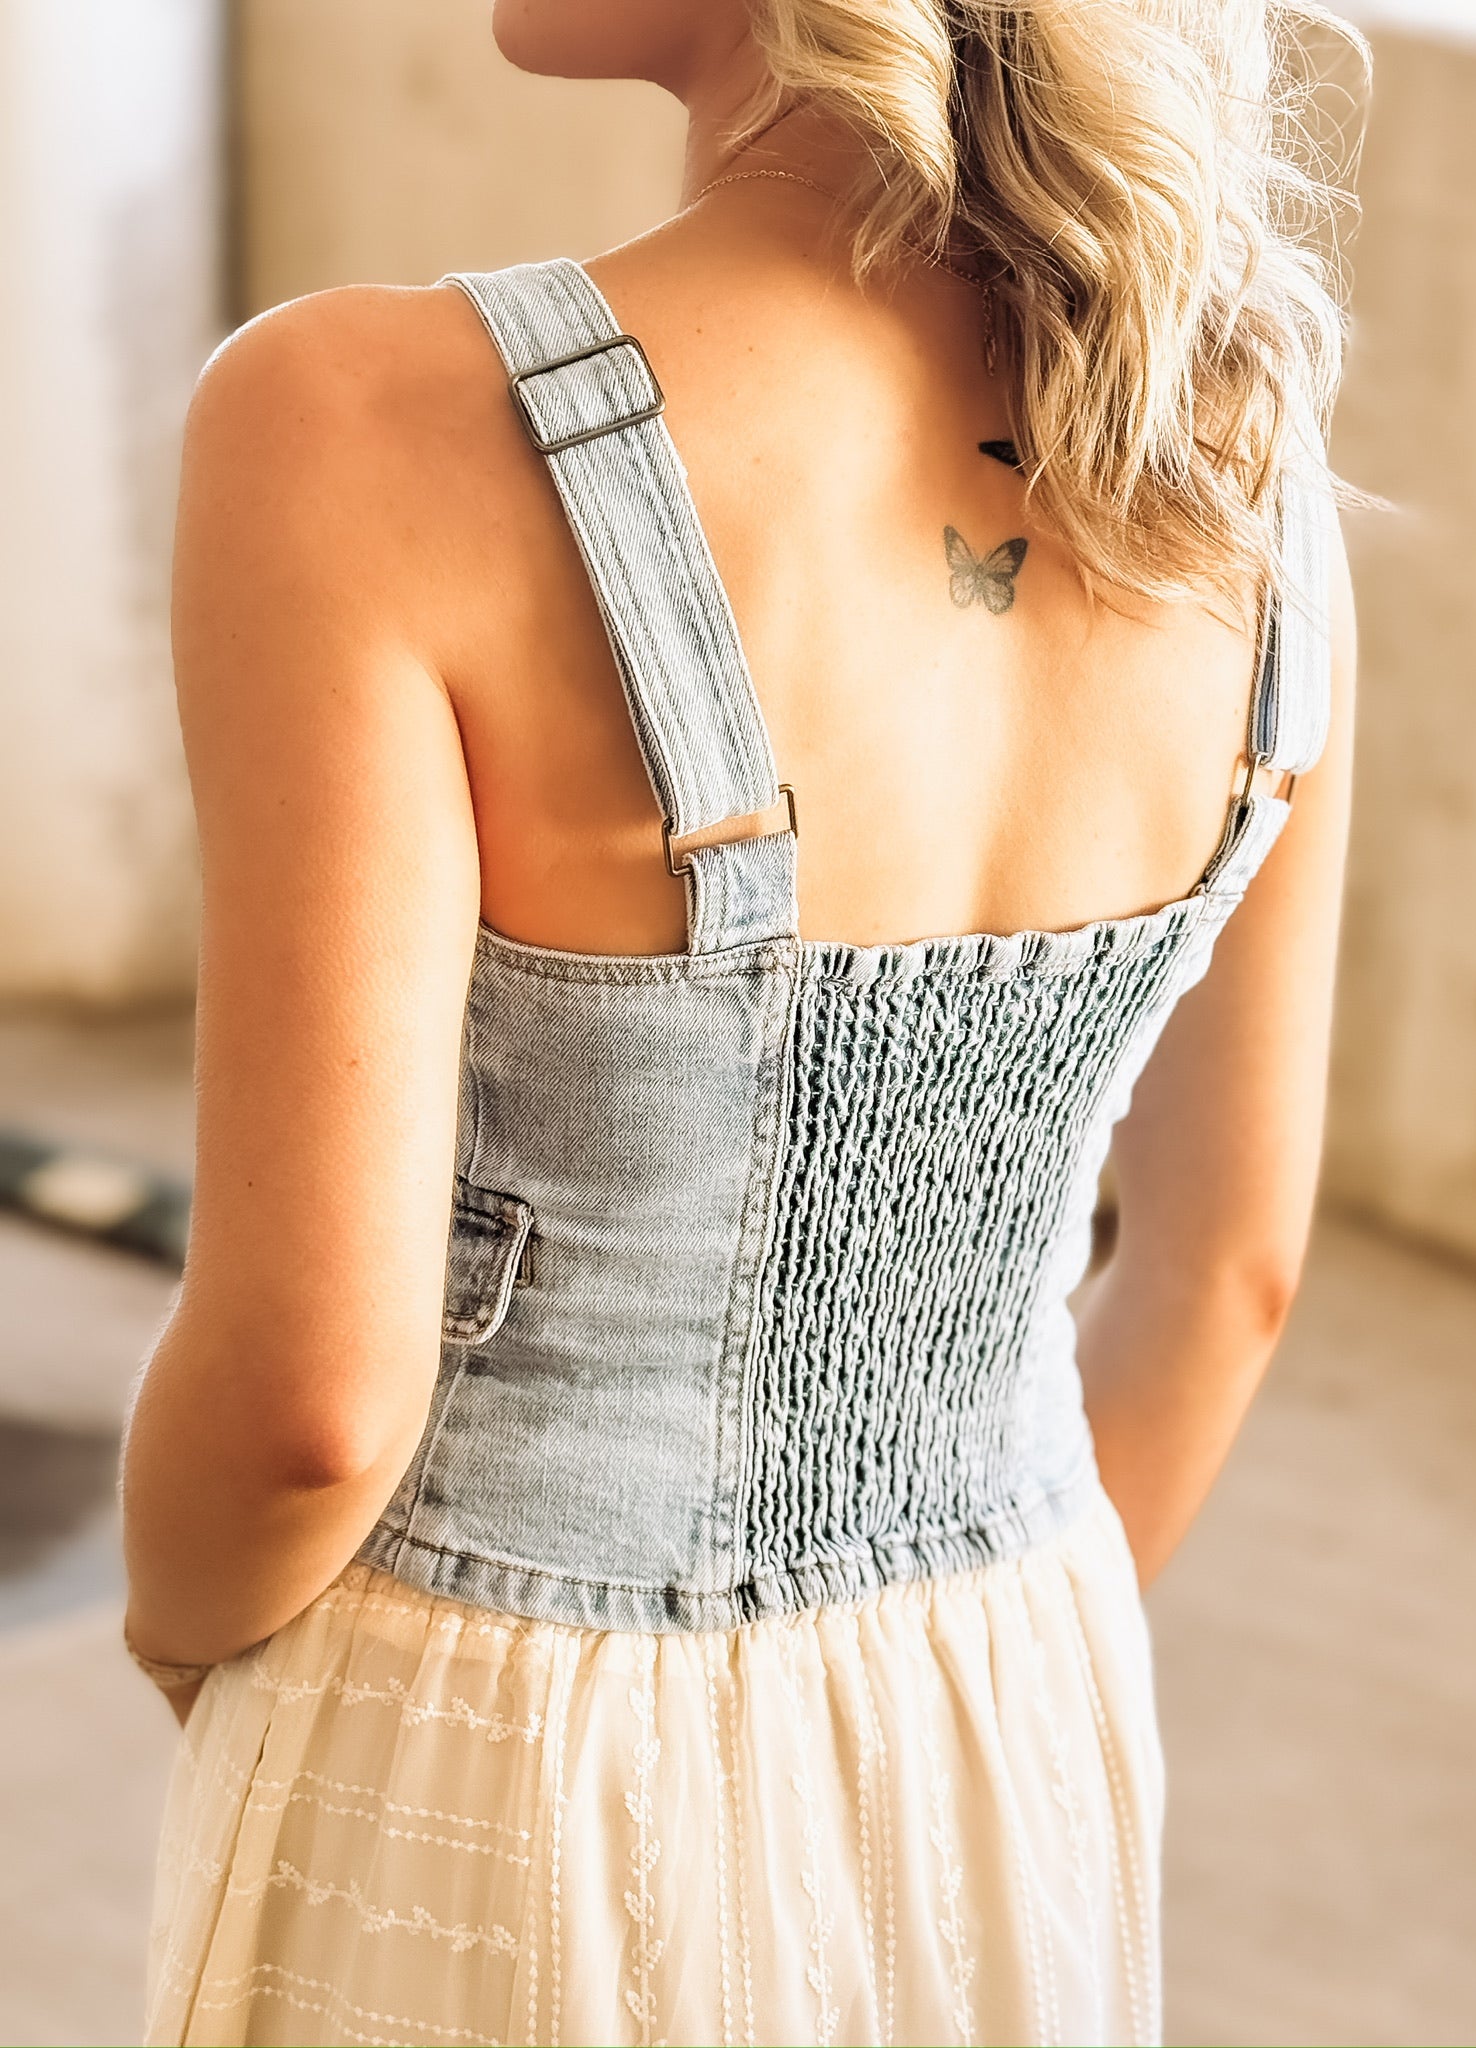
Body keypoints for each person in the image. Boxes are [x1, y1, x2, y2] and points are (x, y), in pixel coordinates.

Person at [122, 1, 1362, 2042]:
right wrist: (929, 1684)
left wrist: (199, 1647)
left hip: (490, 1732)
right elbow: (1227, 1271)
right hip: (1013, 1699)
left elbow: (309, 1405)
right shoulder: (1242, 470)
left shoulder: (352, 424)